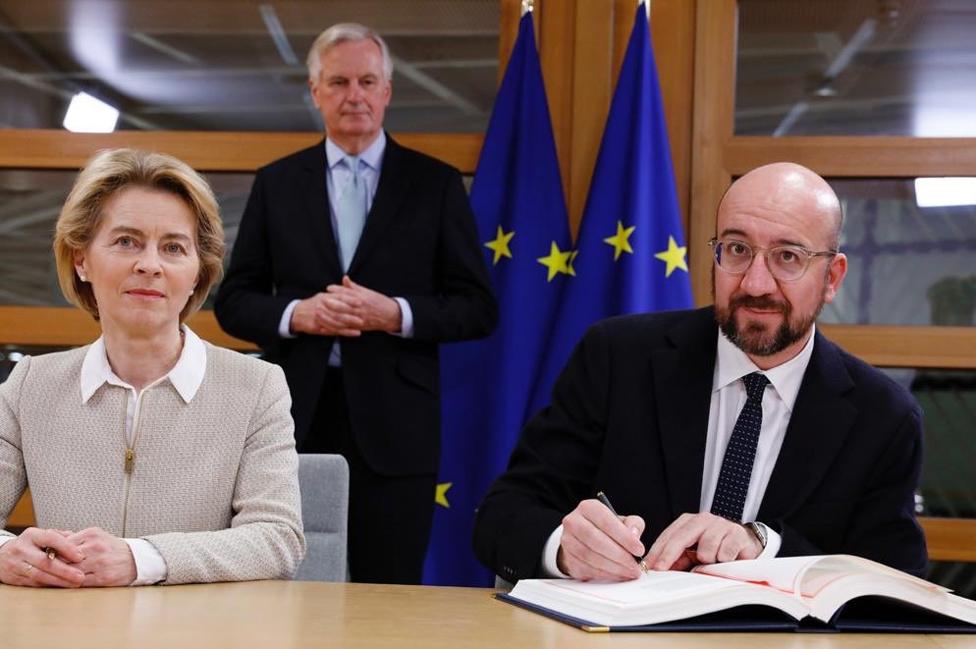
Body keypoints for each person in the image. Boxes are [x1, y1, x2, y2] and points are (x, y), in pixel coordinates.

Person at [473, 162, 927, 584]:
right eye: (736, 249)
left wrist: (766, 548)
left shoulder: (882, 416)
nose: (755, 283)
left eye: (787, 257)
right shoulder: (618, 357)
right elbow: (503, 514)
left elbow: (892, 581)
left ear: (831, 277)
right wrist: (566, 549)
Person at [214, 23, 497, 584]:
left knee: (387, 588)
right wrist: (299, 315)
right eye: (339, 81)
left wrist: (393, 313)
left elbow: (477, 307)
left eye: (368, 81)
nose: (355, 95)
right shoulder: (278, 183)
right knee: (287, 583)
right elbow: (234, 301)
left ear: (388, 91)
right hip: (292, 420)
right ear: (316, 91)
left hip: (398, 428)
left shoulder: (434, 184)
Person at [0, 148, 305, 587]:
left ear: (198, 273)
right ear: (81, 259)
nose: (150, 265)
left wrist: (140, 559)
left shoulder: (257, 387)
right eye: (126, 241)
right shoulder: (32, 384)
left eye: (173, 248)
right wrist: (8, 552)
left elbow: (278, 540)